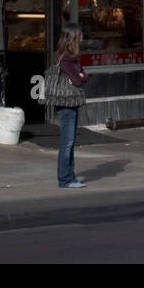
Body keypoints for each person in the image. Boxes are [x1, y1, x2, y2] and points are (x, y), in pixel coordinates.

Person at [53, 24, 88, 189]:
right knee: (67, 142)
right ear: (73, 38)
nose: (82, 39)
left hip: (70, 101)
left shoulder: (70, 57)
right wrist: (80, 76)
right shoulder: (66, 58)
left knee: (70, 141)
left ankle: (69, 176)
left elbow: (83, 75)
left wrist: (81, 76)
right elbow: (78, 79)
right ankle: (65, 178)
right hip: (66, 102)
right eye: (79, 36)